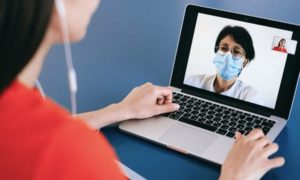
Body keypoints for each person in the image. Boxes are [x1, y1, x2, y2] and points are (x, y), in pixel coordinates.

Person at [0, 1, 284, 179]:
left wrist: (121, 110)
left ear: (246, 61)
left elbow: (30, 139)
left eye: (237, 53)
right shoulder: (77, 156)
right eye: (224, 49)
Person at [185, 26, 264, 106]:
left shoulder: (252, 97)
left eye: (236, 51)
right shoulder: (193, 82)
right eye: (223, 48)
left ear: (244, 63)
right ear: (216, 52)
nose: (228, 56)